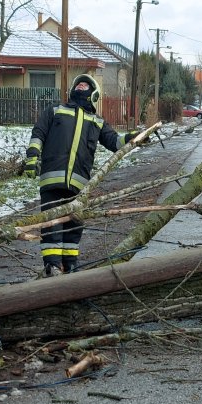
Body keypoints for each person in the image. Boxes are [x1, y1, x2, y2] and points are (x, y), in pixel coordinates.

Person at [25, 73, 121, 276]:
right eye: (80, 83)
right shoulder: (55, 111)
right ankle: (52, 265)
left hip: (79, 187)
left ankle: (70, 264)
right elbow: (38, 133)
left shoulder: (97, 122)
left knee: (74, 224)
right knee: (51, 223)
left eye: (86, 84)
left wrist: (136, 138)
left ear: (94, 95)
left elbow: (115, 142)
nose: (82, 85)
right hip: (52, 181)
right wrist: (32, 158)